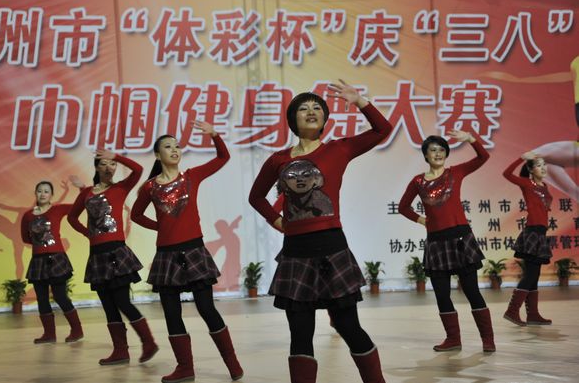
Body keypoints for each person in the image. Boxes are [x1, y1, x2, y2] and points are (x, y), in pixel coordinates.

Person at [249, 81, 391, 383]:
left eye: (317, 108)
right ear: (293, 119)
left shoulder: (339, 149)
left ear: (325, 119)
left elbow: (382, 130)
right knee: (300, 335)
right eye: (303, 108)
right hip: (295, 252)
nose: (311, 111)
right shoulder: (278, 160)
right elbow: (256, 197)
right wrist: (277, 222)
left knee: (348, 326)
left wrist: (360, 101)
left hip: (332, 247)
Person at [131, 121, 243, 383]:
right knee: (172, 314)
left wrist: (214, 135)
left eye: (177, 146)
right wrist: (160, 226)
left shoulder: (192, 176)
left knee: (207, 309)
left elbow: (223, 158)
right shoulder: (149, 187)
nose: (174, 150)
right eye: (168, 146)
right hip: (166, 255)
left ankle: (232, 363)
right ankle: (185, 368)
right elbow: (136, 215)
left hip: (194, 250)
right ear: (157, 155)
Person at [398, 130, 495, 353]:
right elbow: (403, 207)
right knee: (442, 295)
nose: (438, 153)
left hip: (461, 238)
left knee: (472, 292)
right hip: (436, 243)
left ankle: (488, 339)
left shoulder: (456, 172)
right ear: (425, 155)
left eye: (442, 149)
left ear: (447, 153)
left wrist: (471, 139)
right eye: (433, 150)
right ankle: (453, 339)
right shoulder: (418, 181)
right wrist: (422, 220)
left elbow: (483, 157)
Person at [68, 149, 157, 365]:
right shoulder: (86, 193)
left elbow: (138, 170)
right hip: (97, 255)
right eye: (104, 164)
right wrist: (88, 233)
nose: (109, 168)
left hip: (116, 252)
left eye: (113, 164)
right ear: (97, 168)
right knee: (108, 306)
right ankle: (120, 351)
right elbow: (71, 218)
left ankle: (148, 342)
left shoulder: (121, 188)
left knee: (123, 302)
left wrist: (116, 156)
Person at [21, 179, 83, 343]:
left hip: (56, 259)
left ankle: (77, 330)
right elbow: (25, 238)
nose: (43, 194)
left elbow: (80, 206)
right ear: (35, 193)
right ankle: (49, 334)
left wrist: (82, 189)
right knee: (41, 298)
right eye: (39, 191)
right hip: (38, 261)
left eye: (46, 191)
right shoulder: (27, 216)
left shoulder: (58, 209)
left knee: (60, 296)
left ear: (51, 195)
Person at [502, 153, 553, 326]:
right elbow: (506, 174)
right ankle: (512, 311)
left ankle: (533, 315)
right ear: (531, 170)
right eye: (538, 165)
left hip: (541, 233)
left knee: (535, 275)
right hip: (532, 233)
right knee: (531, 274)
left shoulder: (544, 186)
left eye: (544, 164)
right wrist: (521, 158)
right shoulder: (526, 183)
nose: (543, 168)